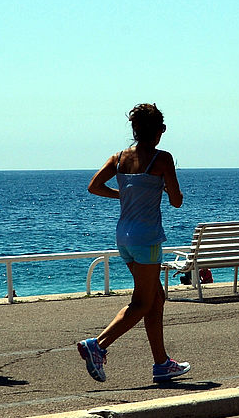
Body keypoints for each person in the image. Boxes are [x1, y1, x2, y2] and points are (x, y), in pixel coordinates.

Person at [77, 103, 190, 384]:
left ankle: (162, 363)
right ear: (160, 130)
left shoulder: (118, 158)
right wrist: (163, 190)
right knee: (142, 302)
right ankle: (98, 345)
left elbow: (94, 186)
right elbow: (176, 201)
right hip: (147, 237)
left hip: (124, 236)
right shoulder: (162, 158)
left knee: (156, 298)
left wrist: (125, 196)